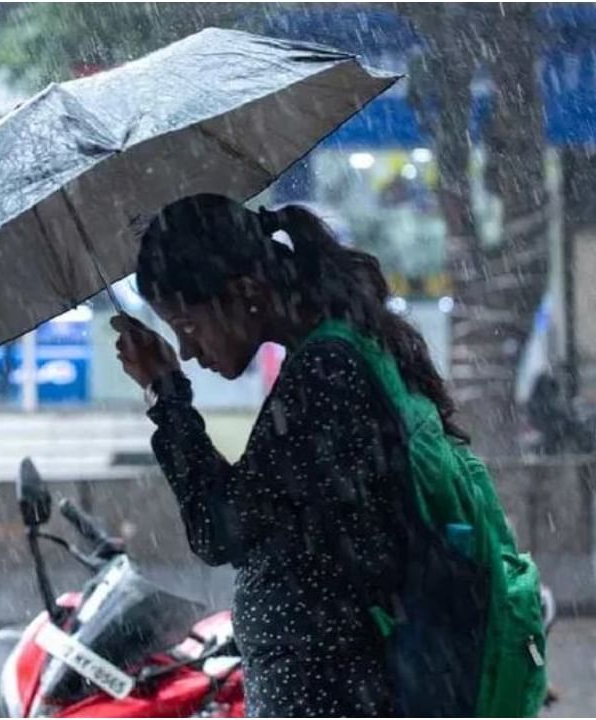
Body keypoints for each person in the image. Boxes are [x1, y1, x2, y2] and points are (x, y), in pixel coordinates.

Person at [111, 194, 479, 717]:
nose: (188, 350)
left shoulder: (324, 378)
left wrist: (168, 395)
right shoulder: (331, 359)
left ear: (247, 294)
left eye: (189, 325)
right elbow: (249, 511)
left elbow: (219, 529)